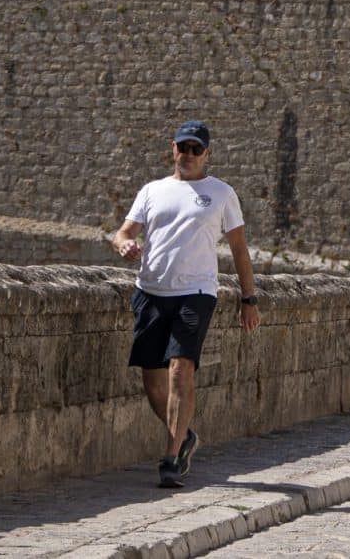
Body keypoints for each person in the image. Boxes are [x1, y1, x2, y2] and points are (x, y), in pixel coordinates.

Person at [111, 121, 259, 488]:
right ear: (172, 149)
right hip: (150, 291)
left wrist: (248, 298)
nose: (189, 155)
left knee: (181, 371)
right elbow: (124, 231)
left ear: (207, 154)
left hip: (196, 293)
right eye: (183, 147)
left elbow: (239, 250)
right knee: (152, 378)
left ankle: (171, 457)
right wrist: (123, 245)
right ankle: (185, 435)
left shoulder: (221, 193)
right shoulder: (152, 190)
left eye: (197, 149)